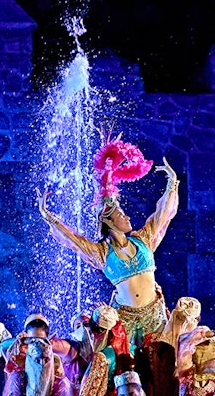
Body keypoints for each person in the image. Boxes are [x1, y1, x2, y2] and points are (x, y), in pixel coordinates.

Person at [37, 135, 180, 346]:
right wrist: (48, 216)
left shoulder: (143, 240)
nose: (128, 217)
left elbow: (161, 215)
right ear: (108, 221)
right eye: (121, 215)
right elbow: (73, 239)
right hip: (125, 320)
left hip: (155, 316)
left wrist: (172, 183)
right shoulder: (102, 252)